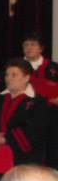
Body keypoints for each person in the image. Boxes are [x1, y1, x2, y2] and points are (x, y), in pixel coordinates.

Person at [21, 33, 58, 168]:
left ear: (41, 48)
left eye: (33, 44)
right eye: (26, 45)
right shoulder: (17, 66)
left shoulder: (53, 67)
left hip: (53, 115)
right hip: (26, 115)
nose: (29, 48)